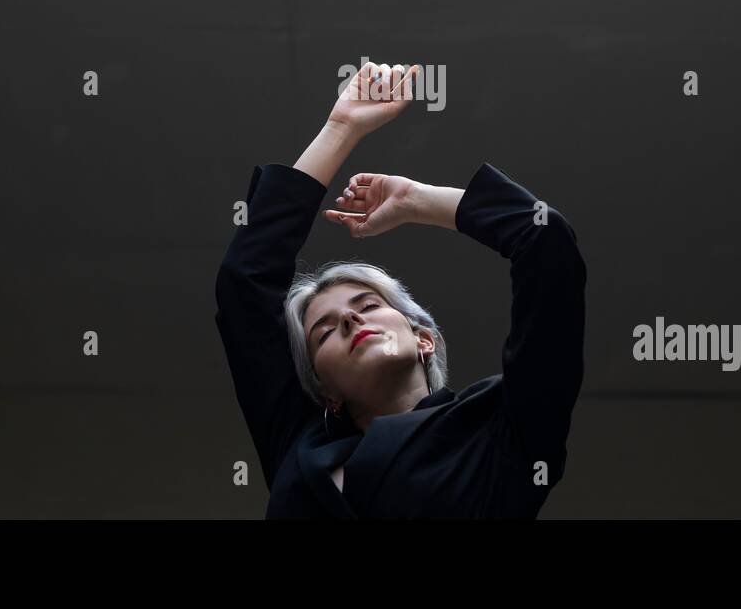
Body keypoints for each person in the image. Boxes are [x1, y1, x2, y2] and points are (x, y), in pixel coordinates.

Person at [214, 61, 586, 517]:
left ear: (424, 338)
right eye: (324, 332)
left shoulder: (500, 428)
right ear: (325, 391)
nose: (350, 319)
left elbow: (545, 240)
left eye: (368, 305)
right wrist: (340, 129)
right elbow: (244, 284)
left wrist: (417, 201)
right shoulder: (300, 446)